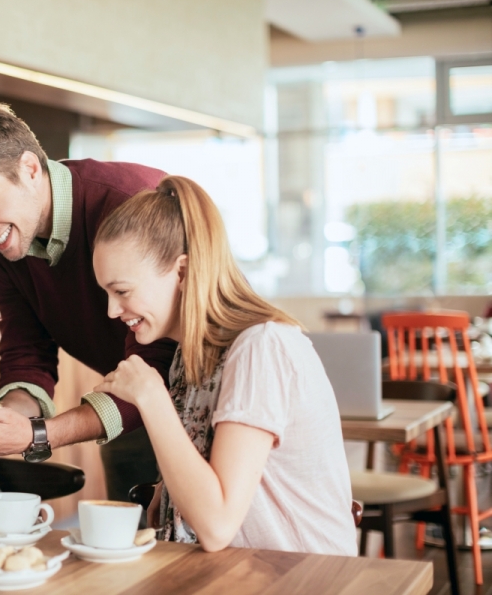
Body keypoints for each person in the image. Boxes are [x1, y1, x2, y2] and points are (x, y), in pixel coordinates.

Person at [0, 97, 175, 501]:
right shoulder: (4, 251)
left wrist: (39, 434)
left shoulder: (129, 203)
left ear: (30, 169)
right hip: (124, 404)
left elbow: (160, 360)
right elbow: (27, 350)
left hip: (201, 398)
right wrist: (7, 421)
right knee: (132, 530)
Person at [91, 175, 357, 555]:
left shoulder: (261, 349)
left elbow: (217, 527)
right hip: (239, 573)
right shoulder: (190, 357)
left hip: (299, 577)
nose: (111, 310)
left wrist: (151, 397)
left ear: (182, 272)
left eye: (122, 291)